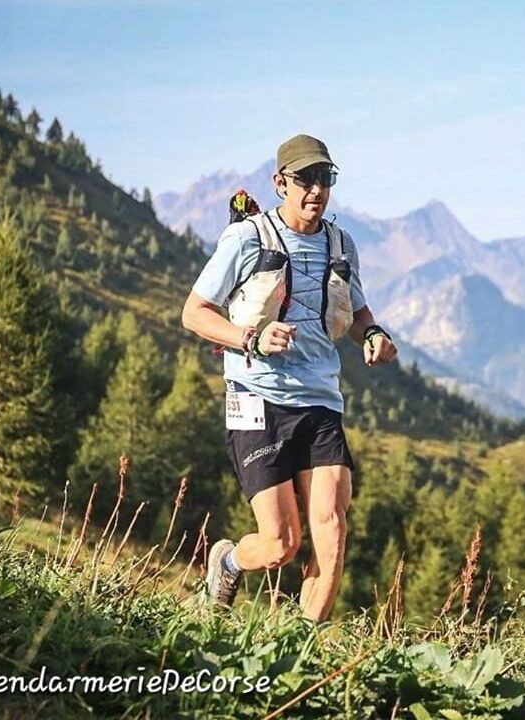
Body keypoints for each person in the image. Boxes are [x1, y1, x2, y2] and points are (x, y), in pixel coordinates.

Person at [181, 133, 397, 621]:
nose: (316, 190)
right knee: (281, 544)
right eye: (305, 179)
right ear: (281, 183)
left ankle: (301, 648)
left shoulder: (342, 244)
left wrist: (373, 335)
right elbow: (194, 313)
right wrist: (249, 338)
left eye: (325, 178)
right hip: (257, 398)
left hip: (321, 400)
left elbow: (359, 312)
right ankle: (229, 561)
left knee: (332, 527)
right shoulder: (247, 238)